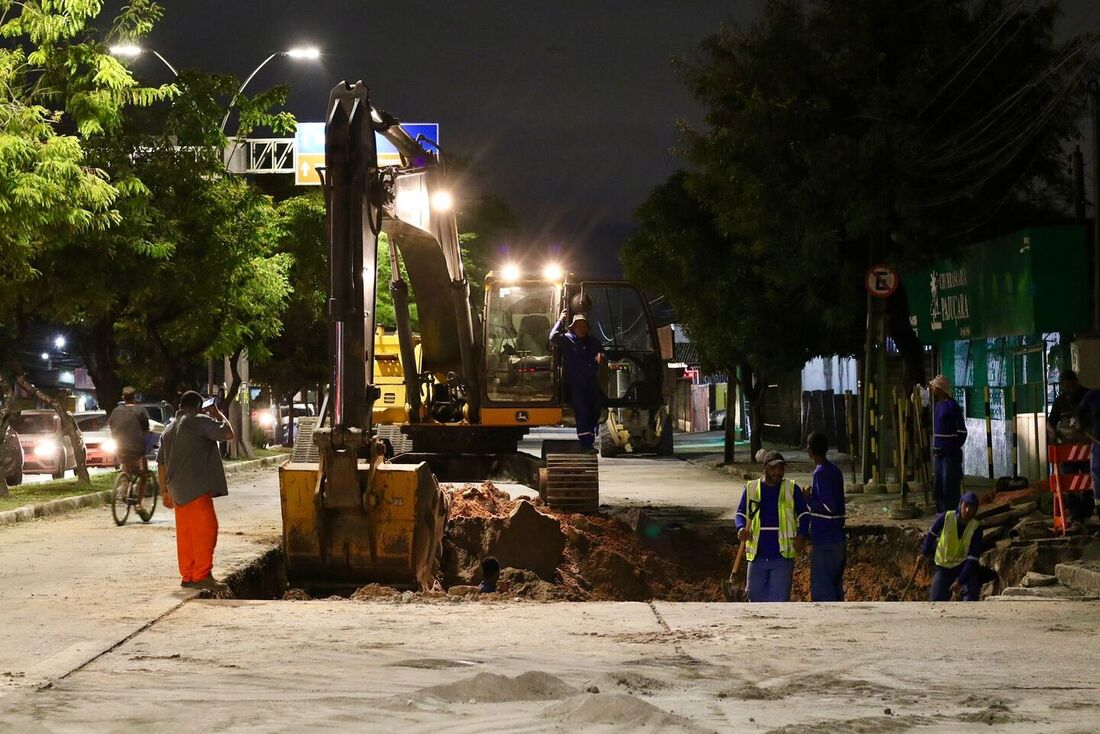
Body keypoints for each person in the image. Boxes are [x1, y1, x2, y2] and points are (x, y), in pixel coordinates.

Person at [157, 391, 235, 590]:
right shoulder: (198, 420)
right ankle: (202, 575)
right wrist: (217, 413)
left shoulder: (169, 429)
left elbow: (161, 463)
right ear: (199, 407)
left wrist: (164, 491)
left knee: (187, 536)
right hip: (197, 488)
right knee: (207, 531)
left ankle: (188, 575)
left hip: (177, 492)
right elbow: (228, 433)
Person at [735, 450, 810, 602]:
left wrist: (802, 535)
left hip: (782, 556)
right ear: (765, 469)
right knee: (754, 598)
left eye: (781, 468)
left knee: (779, 601)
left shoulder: (791, 488)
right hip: (757, 555)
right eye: (774, 468)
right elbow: (741, 513)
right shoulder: (751, 488)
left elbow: (804, 514)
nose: (778, 472)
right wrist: (740, 528)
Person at [549, 310, 605, 450]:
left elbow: (603, 353)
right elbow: (553, 336)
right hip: (575, 383)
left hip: (591, 382)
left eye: (584, 326)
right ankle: (586, 442)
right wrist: (561, 319)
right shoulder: (567, 339)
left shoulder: (593, 342)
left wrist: (602, 357)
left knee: (595, 409)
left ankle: (589, 435)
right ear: (573, 328)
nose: (581, 329)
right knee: (582, 410)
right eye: (578, 326)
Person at [804, 432, 846, 601]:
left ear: (809, 450)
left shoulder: (820, 473)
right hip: (837, 539)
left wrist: (808, 499)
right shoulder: (835, 471)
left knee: (823, 589)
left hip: (825, 539)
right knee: (835, 586)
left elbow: (829, 506)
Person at [921, 491, 984, 601]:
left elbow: (973, 558)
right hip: (944, 567)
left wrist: (960, 581)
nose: (968, 510)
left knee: (971, 596)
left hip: (963, 566)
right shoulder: (946, 517)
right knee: (936, 601)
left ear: (976, 510)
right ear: (960, 505)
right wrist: (925, 553)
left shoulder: (976, 528)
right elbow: (931, 534)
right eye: (966, 506)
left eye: (972, 507)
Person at [1049, 370, 1091, 524]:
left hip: (1088, 447)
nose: (1069, 388)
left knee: (1089, 480)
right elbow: (1051, 422)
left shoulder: (1089, 396)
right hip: (1067, 450)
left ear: (1076, 381)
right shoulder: (1060, 402)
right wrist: (1052, 434)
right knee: (1068, 482)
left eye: (1071, 384)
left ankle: (1088, 510)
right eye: (1066, 386)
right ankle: (1076, 515)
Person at [929, 374, 967, 513]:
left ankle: (951, 513)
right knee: (938, 486)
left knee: (949, 486)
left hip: (950, 455)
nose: (932, 389)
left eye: (934, 387)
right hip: (939, 453)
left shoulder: (953, 407)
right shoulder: (938, 405)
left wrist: (951, 448)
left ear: (941, 389)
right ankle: (941, 514)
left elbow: (962, 432)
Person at [108, 387, 151, 481]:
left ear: (123, 397)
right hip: (137, 447)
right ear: (134, 397)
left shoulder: (116, 411)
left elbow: (111, 426)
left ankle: (124, 484)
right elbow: (146, 428)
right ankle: (140, 493)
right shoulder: (141, 410)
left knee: (125, 465)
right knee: (143, 473)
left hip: (119, 446)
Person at [1076, 387, 1100, 524]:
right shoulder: (1093, 396)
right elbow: (1080, 411)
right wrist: (1081, 425)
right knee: (1098, 480)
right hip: (1098, 445)